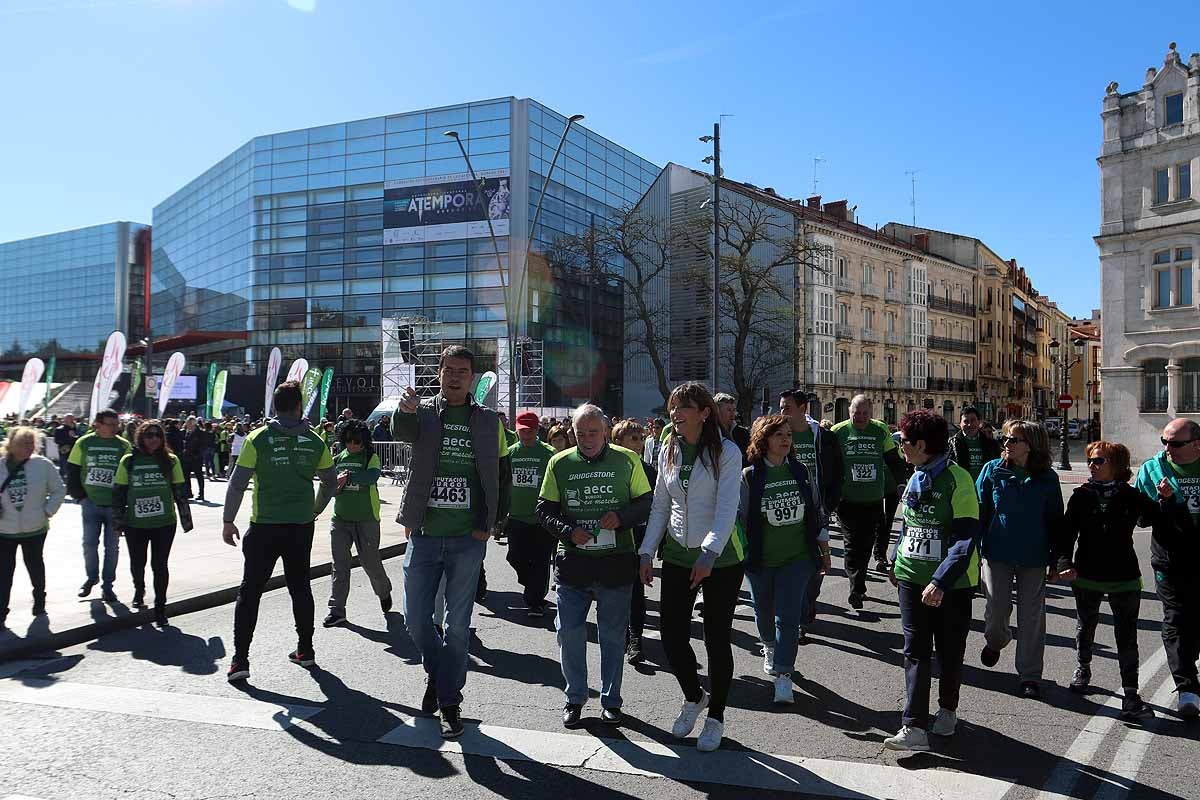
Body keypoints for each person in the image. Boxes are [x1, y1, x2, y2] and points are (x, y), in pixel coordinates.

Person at [392, 345, 511, 739]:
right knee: (414, 619)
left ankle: (450, 701)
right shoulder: (423, 411)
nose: (456, 376)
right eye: (449, 370)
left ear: (472, 378)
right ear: (439, 373)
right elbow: (400, 431)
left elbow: (498, 472)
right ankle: (440, 674)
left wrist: (489, 523)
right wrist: (403, 410)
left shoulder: (488, 420)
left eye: (463, 371)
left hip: (466, 538)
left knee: (458, 627)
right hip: (424, 535)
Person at [640, 382, 744, 753]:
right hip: (679, 555)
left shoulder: (727, 452)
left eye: (683, 406)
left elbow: (727, 508)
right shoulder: (668, 447)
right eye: (672, 406)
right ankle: (693, 695)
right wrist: (647, 551)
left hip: (722, 559)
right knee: (670, 635)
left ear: (704, 413)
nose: (675, 413)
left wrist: (709, 553)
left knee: (716, 638)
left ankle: (715, 716)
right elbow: (660, 505)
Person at [537, 404, 652, 728]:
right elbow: (544, 510)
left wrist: (622, 518)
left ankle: (611, 700)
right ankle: (574, 697)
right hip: (574, 563)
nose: (587, 439)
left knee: (613, 637)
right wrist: (568, 531)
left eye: (594, 432)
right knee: (569, 631)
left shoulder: (627, 460)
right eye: (581, 433)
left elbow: (646, 502)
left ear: (605, 431)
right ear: (573, 433)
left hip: (615, 563)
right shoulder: (559, 463)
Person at [223, 381, 338, 683]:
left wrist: (228, 519)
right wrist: (315, 509)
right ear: (300, 406)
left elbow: (237, 483)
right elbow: (329, 482)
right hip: (300, 526)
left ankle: (240, 659)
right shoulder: (316, 441)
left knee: (250, 591)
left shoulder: (257, 438)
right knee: (300, 587)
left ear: (274, 407)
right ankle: (306, 649)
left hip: (264, 526)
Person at [883, 410, 981, 752]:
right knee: (915, 650)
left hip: (950, 585)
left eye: (904, 442)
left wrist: (940, 581)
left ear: (921, 445)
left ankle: (948, 709)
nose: (901, 447)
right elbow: (909, 523)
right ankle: (913, 726)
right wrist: (896, 560)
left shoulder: (959, 480)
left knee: (950, 652)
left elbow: (966, 538)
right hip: (912, 578)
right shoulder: (916, 476)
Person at [1058, 440, 1160, 720]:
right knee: (1085, 626)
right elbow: (1067, 535)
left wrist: (1165, 497)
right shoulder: (1081, 495)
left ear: (1115, 466)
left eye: (1099, 460)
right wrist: (1064, 563)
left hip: (1124, 577)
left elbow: (1154, 518)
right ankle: (1083, 668)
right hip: (1087, 574)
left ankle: (1130, 691)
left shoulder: (1131, 496)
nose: (1092, 464)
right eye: (1091, 460)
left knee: (1126, 636)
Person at [739, 415, 827, 705]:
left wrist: (824, 550)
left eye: (789, 434)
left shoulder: (801, 471)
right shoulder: (750, 476)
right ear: (763, 440)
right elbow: (739, 519)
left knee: (787, 618)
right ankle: (768, 646)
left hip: (797, 558)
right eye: (779, 434)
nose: (786, 439)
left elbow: (816, 509)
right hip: (760, 560)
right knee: (762, 610)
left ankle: (784, 676)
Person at [976, 419, 1063, 698]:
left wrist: (1058, 560)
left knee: (1032, 617)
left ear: (1031, 445)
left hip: (1033, 557)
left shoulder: (1047, 478)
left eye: (1014, 440)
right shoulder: (992, 470)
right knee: (996, 611)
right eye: (1006, 439)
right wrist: (970, 550)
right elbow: (979, 511)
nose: (1007, 444)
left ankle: (1029, 675)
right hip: (996, 553)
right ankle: (996, 640)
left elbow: (1055, 521)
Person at [1134, 417, 1200, 718]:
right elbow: (1142, 519)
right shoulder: (1152, 470)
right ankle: (1187, 687)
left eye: (1175, 443)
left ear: (1196, 444)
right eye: (1164, 442)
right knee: (1175, 619)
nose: (1167, 448)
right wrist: (1162, 502)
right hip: (1170, 559)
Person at [112, 420, 193, 627]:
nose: (154, 439)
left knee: (160, 565)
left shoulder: (171, 460)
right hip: (136, 524)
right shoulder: (128, 461)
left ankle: (160, 607)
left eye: (158, 435)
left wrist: (186, 520)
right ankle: (139, 589)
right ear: (141, 437)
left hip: (164, 523)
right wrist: (118, 521)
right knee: (138, 563)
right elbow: (119, 492)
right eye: (149, 435)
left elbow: (180, 492)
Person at [831, 395, 905, 610]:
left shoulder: (880, 430)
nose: (861, 418)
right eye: (856, 413)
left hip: (873, 498)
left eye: (865, 413)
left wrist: (900, 483)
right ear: (849, 412)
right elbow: (828, 463)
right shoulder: (838, 432)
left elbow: (894, 459)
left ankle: (858, 583)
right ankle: (856, 588)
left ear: (871, 413)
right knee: (852, 543)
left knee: (865, 542)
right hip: (847, 500)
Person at [779, 389, 843, 631]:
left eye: (787, 408)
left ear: (802, 409)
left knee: (815, 565)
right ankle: (798, 615)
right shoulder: (776, 434)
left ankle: (807, 602)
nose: (782, 412)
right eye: (781, 407)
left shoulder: (823, 436)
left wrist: (829, 504)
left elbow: (837, 470)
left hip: (817, 509)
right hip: (786, 506)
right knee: (792, 563)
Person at [318, 419, 392, 628]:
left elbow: (371, 477)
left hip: (366, 519)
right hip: (340, 519)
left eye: (357, 441)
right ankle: (336, 610)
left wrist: (348, 477)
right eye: (349, 440)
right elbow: (327, 487)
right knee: (339, 566)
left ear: (364, 440)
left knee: (370, 563)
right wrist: (316, 508)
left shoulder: (371, 457)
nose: (353, 445)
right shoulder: (338, 458)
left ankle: (384, 591)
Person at [0, 427, 65, 630]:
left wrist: (47, 511)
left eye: (31, 443)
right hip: (5, 529)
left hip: (35, 527)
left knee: (35, 564)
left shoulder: (42, 464)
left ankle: (39, 599)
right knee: (4, 572)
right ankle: (2, 611)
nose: (28, 447)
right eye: (23, 443)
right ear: (11, 444)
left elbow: (59, 490)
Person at [66, 408, 131, 602]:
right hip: (91, 503)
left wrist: (124, 503)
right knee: (89, 543)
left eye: (116, 424)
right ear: (98, 425)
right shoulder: (84, 443)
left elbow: (130, 474)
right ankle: (91, 578)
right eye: (110, 425)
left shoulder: (124, 445)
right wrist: (80, 497)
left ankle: (108, 585)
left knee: (112, 547)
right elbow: (73, 470)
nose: (114, 428)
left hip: (114, 505)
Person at [611, 419, 657, 663]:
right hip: (613, 537)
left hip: (639, 537)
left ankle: (635, 636)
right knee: (613, 590)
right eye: (633, 438)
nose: (639, 444)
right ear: (618, 441)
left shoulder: (649, 470)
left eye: (641, 438)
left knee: (636, 589)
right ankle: (616, 634)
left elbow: (656, 507)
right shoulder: (609, 467)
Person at [504, 411, 557, 617]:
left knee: (541, 560)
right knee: (514, 556)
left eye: (530, 431)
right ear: (517, 431)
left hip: (541, 518)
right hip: (516, 517)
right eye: (522, 431)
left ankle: (535, 600)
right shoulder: (509, 454)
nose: (526, 435)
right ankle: (531, 584)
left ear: (537, 431)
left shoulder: (549, 453)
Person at [950, 407, 1001, 483]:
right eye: (966, 421)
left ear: (979, 422)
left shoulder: (991, 444)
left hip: (985, 489)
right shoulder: (951, 444)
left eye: (973, 420)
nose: (970, 424)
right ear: (960, 424)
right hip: (962, 489)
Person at [713, 393, 750, 465]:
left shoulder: (743, 433)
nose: (733, 414)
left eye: (734, 410)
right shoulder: (711, 433)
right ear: (717, 411)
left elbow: (749, 458)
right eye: (729, 410)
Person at [181, 417, 208, 502]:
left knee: (199, 476)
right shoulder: (187, 432)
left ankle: (201, 493)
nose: (186, 425)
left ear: (193, 424)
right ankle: (189, 493)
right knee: (186, 475)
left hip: (196, 457)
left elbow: (204, 445)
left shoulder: (200, 433)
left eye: (188, 424)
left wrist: (198, 454)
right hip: (187, 457)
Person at [53, 414, 80, 481]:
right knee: (64, 465)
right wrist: (70, 439)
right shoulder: (59, 429)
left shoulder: (76, 428)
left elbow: (79, 438)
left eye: (72, 418)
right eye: (69, 418)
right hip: (64, 450)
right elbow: (57, 440)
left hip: (75, 450)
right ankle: (61, 479)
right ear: (65, 419)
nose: (71, 420)